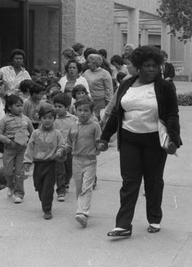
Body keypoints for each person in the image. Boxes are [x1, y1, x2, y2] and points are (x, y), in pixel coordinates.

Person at [97, 45, 181, 237]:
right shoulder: (127, 84)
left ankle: (154, 219)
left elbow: (172, 115)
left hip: (154, 141)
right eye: (147, 65)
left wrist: (173, 141)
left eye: (155, 66)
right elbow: (117, 113)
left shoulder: (165, 87)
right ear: (138, 66)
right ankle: (123, 224)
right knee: (129, 182)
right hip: (129, 140)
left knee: (153, 182)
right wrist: (104, 137)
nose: (152, 69)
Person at [23, 104, 66, 220]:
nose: (47, 121)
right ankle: (44, 200)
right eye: (44, 118)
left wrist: (60, 152)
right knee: (39, 186)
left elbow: (62, 145)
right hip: (38, 164)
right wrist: (27, 161)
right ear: (39, 119)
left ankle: (47, 209)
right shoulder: (36, 133)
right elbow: (30, 147)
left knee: (48, 187)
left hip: (51, 164)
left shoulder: (57, 133)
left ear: (54, 119)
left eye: (50, 118)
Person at [65, 96, 102, 228]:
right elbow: (68, 143)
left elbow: (99, 141)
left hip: (90, 160)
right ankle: (83, 208)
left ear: (91, 112)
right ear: (75, 111)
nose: (82, 113)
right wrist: (62, 151)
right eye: (80, 110)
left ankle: (82, 213)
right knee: (79, 187)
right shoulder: (73, 126)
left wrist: (101, 145)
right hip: (76, 160)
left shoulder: (95, 126)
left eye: (86, 110)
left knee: (87, 187)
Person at [0, 49, 32, 159]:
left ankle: (19, 147)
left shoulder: (25, 73)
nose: (18, 60)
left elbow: (29, 86)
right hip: (4, 101)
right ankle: (1, 149)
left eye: (20, 59)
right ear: (12, 60)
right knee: (4, 123)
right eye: (16, 58)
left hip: (18, 102)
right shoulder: (4, 70)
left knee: (18, 124)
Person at [0, 95, 34, 204]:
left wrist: (31, 144)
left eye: (21, 105)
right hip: (9, 148)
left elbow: (33, 133)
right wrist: (8, 141)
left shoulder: (26, 119)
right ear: (9, 107)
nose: (20, 108)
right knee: (7, 171)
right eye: (17, 106)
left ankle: (19, 194)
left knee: (19, 172)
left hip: (22, 149)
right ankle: (10, 186)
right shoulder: (4, 120)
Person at [53, 93, 78, 201]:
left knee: (69, 169)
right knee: (60, 171)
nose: (57, 109)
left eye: (60, 106)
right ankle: (61, 191)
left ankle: (66, 182)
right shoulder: (52, 119)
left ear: (67, 107)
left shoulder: (73, 119)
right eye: (55, 106)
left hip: (70, 149)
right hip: (57, 150)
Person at [82, 54, 113, 120]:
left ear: (95, 63)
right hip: (88, 100)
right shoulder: (86, 72)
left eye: (89, 62)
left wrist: (108, 101)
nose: (88, 64)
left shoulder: (105, 73)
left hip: (100, 101)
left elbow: (109, 88)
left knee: (99, 118)